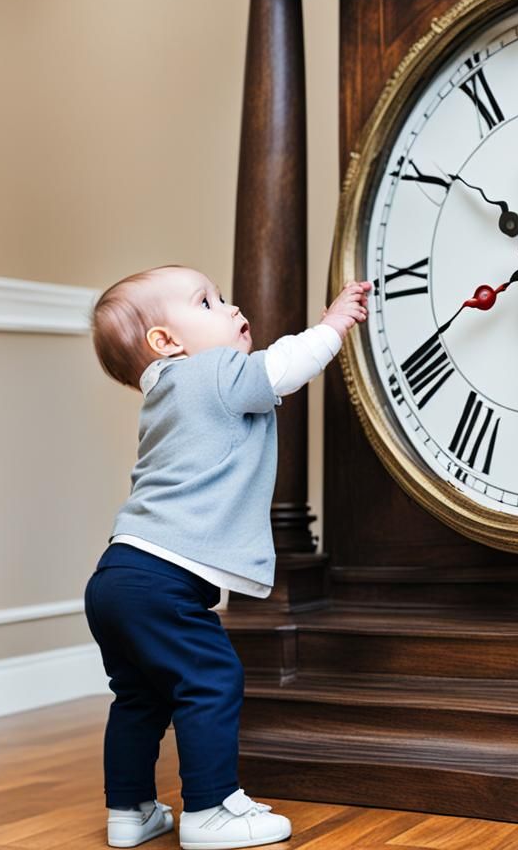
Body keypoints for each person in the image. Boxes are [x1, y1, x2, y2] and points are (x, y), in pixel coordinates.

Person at [84, 265, 370, 849]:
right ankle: (211, 807)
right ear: (167, 343)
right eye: (207, 301)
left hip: (119, 574)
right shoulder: (211, 372)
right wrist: (333, 324)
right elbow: (283, 367)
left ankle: (130, 808)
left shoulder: (167, 392)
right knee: (212, 677)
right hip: (162, 577)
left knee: (139, 695)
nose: (231, 305)